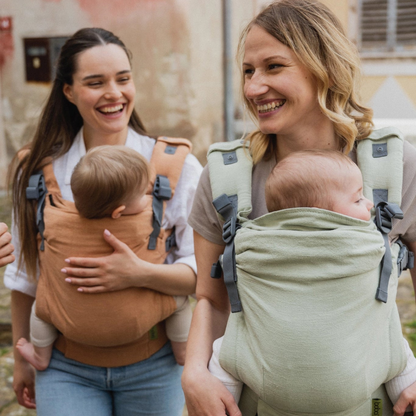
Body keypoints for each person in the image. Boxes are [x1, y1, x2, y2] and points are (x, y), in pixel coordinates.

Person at [181, 1, 416, 415]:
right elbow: (213, 299)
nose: (254, 87)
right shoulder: (224, 178)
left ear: (323, 66)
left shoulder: (395, 168)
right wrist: (196, 373)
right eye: (249, 71)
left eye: (274, 66)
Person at [5, 28, 201, 416]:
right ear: (69, 91)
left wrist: (137, 273)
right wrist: (22, 353)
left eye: (123, 79)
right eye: (95, 83)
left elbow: (201, 273)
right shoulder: (36, 172)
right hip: (65, 367)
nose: (114, 93)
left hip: (156, 365)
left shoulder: (175, 168)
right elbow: (26, 275)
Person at [207, 149, 416, 408]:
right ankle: (404, 402)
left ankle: (223, 403)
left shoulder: (253, 244)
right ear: (318, 214)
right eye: (358, 199)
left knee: (226, 352)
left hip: (267, 381)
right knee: (395, 349)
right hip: (361, 372)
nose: (370, 204)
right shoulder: (369, 244)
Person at [15, 145, 192, 371]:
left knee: (41, 308)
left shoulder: (53, 218)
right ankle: (183, 351)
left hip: (69, 324)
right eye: (142, 195)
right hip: (139, 326)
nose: (148, 199)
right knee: (179, 302)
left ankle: (40, 356)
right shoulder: (145, 222)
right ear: (118, 211)